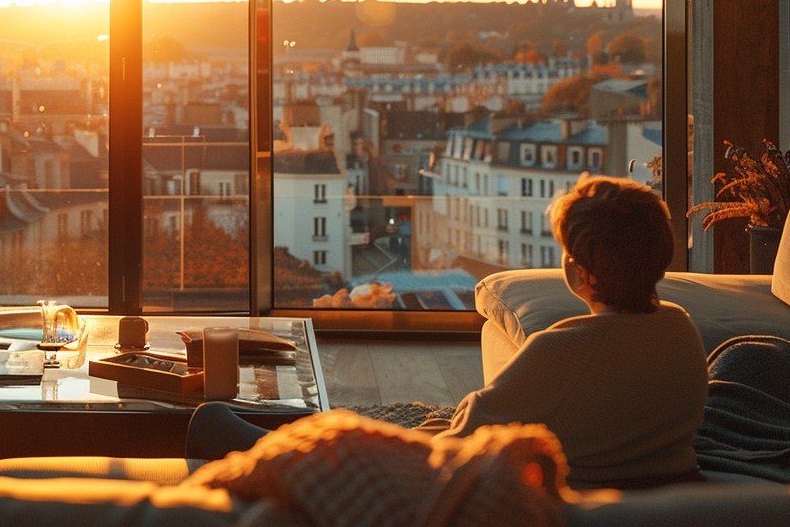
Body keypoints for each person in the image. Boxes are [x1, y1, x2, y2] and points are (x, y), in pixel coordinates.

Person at [187, 175, 709, 489]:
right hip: (651, 475)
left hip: (531, 481)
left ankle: (271, 449)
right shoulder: (682, 333)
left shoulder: (562, 349)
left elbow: (469, 430)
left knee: (240, 424)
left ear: (579, 273)